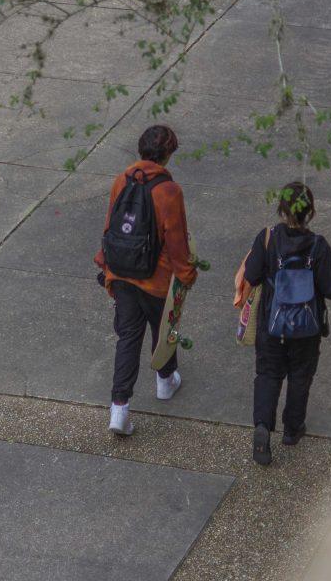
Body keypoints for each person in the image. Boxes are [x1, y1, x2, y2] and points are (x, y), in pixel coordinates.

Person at [242, 181, 331, 465]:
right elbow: (330, 288)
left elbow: (253, 276)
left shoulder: (267, 238)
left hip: (272, 322)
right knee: (300, 376)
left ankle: (262, 427)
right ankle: (293, 430)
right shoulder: (318, 246)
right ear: (312, 212)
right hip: (306, 328)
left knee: (268, 374)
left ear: (280, 208)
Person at [95, 124, 197, 436]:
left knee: (128, 338)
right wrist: (187, 274)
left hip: (123, 272)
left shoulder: (121, 179)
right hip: (156, 279)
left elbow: (110, 225)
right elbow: (176, 240)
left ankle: (119, 409)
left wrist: (106, 262)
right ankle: (165, 381)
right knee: (164, 328)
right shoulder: (169, 191)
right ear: (167, 155)